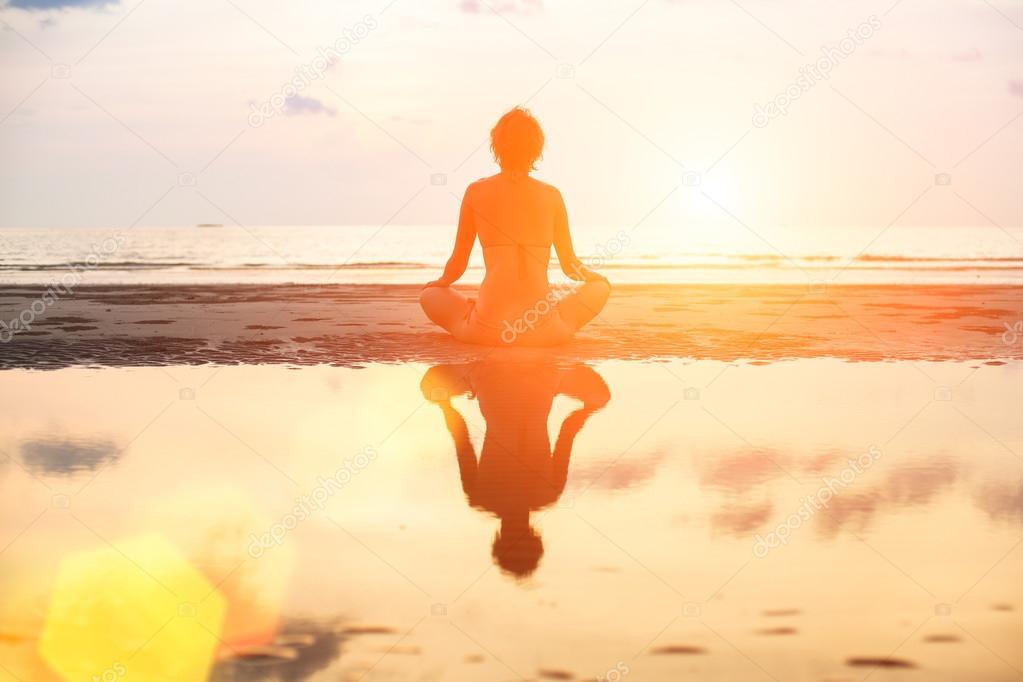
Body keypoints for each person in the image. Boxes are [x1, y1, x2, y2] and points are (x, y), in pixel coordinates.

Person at [419, 107, 611, 346]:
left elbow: (458, 263)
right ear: (536, 149)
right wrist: (598, 279)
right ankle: (556, 319)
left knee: (429, 295)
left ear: (497, 146)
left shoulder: (475, 192)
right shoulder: (551, 195)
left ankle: (475, 311)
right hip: (543, 332)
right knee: (599, 289)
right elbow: (571, 267)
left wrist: (442, 281)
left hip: (486, 331)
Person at [420, 360, 611, 578]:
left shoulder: (549, 495)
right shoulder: (479, 499)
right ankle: (479, 376)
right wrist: (444, 404)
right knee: (430, 390)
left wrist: (588, 408)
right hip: (491, 377)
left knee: (601, 397)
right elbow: (461, 438)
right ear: (500, 539)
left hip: (541, 378)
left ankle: (552, 381)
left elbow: (568, 431)